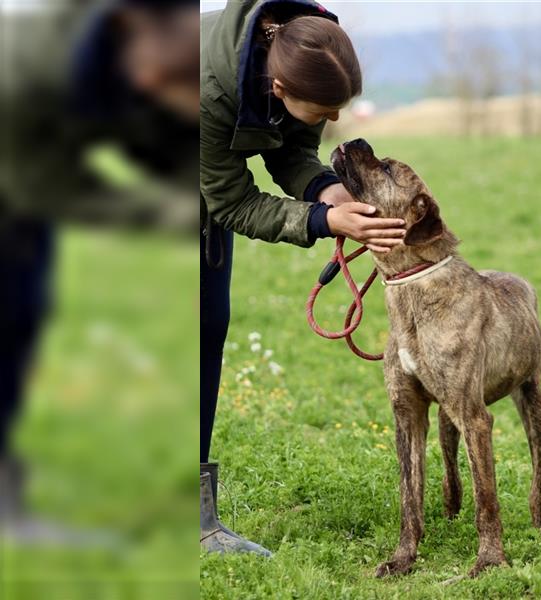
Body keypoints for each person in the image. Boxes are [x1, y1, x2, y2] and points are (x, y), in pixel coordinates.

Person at [200, 0, 406, 556]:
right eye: (323, 109)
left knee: (205, 328)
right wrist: (321, 221)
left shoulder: (293, 54)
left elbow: (291, 150)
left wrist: (326, 191)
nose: (333, 121)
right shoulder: (206, 89)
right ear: (279, 84)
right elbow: (232, 200)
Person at [0, 0, 199, 539]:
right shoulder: (23, 68)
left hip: (22, 213)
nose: (169, 89)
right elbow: (46, 186)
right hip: (20, 179)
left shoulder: (137, 57)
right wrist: (171, 212)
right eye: (168, 77)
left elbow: (152, 138)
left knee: (21, 321)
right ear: (130, 24)